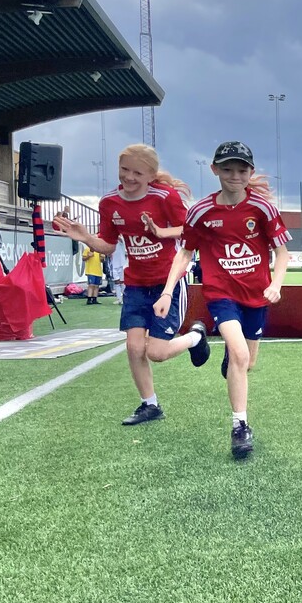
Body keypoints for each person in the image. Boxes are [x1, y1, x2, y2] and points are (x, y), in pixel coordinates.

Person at [53, 144, 209, 426]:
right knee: (134, 347)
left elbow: (189, 231)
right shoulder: (109, 203)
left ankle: (195, 337)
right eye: (124, 169)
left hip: (167, 283)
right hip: (135, 284)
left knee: (156, 353)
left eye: (137, 173)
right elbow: (108, 245)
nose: (129, 177)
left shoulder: (165, 197)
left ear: (151, 176)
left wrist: (160, 231)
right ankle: (150, 405)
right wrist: (85, 237)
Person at [155, 141, 290, 460]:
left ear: (250, 172)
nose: (235, 176)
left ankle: (226, 353)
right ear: (214, 169)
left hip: (256, 295)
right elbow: (185, 253)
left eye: (242, 170)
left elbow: (282, 252)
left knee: (246, 362)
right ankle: (240, 427)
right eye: (227, 169)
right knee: (241, 355)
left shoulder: (263, 209)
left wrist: (276, 284)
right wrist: (167, 291)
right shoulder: (201, 211)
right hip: (221, 294)